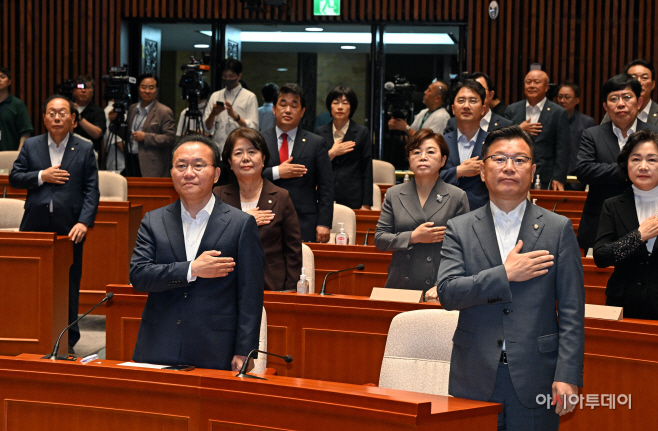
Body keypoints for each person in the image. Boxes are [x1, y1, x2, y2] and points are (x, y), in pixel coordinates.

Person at [436, 125, 585, 430]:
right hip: (474, 374)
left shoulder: (558, 229)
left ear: (532, 171)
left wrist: (568, 374)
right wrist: (505, 274)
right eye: (499, 158)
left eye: (519, 160)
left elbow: (572, 310)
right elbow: (448, 293)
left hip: (537, 375)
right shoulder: (459, 228)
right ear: (482, 169)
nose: (509, 168)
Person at [130, 134, 265, 371]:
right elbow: (139, 275)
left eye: (198, 165)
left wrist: (244, 350)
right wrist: (192, 269)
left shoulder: (240, 224)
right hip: (158, 342)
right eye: (181, 166)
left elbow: (250, 295)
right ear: (171, 172)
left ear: (216, 174)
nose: (188, 173)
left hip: (215, 346)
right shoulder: (154, 220)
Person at [9, 94, 100, 354]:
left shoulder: (83, 148)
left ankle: (68, 341)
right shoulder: (32, 145)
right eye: (51, 112)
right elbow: (15, 177)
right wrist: (41, 176)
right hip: (34, 225)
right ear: (44, 118)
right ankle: (28, 334)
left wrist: (84, 222)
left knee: (69, 284)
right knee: (30, 284)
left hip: (69, 227)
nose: (57, 117)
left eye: (62, 113)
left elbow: (92, 190)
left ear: (73, 118)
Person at [375, 128, 469, 298]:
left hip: (437, 287)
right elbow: (380, 239)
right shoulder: (394, 194)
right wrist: (413, 237)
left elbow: (463, 248)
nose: (423, 157)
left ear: (443, 160)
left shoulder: (457, 196)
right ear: (409, 159)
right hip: (400, 285)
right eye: (416, 152)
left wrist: (442, 282)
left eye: (431, 152)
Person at [576, 74, 658, 252]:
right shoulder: (592, 135)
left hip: (648, 217)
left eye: (627, 97)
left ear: (639, 102)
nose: (621, 103)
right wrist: (628, 169)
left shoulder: (654, 134)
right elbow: (583, 170)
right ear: (606, 106)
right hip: (600, 223)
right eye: (614, 99)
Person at [216, 127, 302, 291]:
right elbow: (210, 242)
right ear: (230, 162)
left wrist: (290, 291)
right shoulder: (218, 196)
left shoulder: (281, 197)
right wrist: (243, 221)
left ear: (263, 159)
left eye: (252, 152)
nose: (246, 158)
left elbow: (293, 251)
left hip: (271, 285)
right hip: (226, 287)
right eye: (238, 153)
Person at [593, 130, 658, 319]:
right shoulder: (612, 205)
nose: (643, 166)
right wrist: (638, 236)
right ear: (626, 164)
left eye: (652, 160)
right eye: (635, 159)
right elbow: (601, 257)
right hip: (623, 305)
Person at [262, 83, 334, 243]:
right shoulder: (259, 141)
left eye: (294, 105)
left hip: (304, 221)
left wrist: (324, 223)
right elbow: (248, 176)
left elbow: (326, 187)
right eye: (283, 104)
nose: (288, 110)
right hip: (265, 218)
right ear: (274, 109)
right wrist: (277, 172)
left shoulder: (316, 143)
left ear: (302, 112)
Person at [505, 70, 571, 190]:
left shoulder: (558, 112)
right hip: (515, 172)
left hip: (546, 175)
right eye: (528, 82)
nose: (532, 85)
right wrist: (518, 129)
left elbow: (563, 148)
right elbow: (502, 140)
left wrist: (559, 177)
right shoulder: (512, 109)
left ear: (546, 87)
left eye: (537, 82)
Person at [315, 86, 374, 210]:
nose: (340, 107)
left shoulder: (362, 132)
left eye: (345, 103)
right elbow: (314, 165)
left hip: (353, 196)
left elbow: (367, 169)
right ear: (330, 106)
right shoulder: (320, 132)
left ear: (351, 107)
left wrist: (366, 203)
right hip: (325, 194)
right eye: (335, 103)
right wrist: (331, 153)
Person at [441, 79, 490, 211]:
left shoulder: (494, 143)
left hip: (482, 214)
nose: (466, 106)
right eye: (461, 101)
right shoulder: (440, 143)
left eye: (473, 101)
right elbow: (427, 178)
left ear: (483, 109)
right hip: (443, 215)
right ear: (453, 109)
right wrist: (458, 171)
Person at [125, 74, 176, 177]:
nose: (147, 91)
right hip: (131, 161)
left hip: (152, 166)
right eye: (143, 87)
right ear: (138, 88)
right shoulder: (132, 108)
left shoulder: (164, 111)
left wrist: (145, 137)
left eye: (151, 88)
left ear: (156, 90)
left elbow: (170, 138)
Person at [204, 59, 259, 154]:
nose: (227, 79)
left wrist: (235, 116)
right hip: (218, 149)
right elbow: (207, 129)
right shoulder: (215, 95)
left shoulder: (249, 97)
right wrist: (213, 113)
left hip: (241, 150)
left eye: (231, 76)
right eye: (224, 76)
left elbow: (254, 128)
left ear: (239, 76)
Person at [556, 81, 596, 191]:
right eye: (560, 97)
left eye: (567, 97)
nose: (562, 101)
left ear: (577, 100)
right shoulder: (552, 120)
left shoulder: (586, 122)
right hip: (555, 179)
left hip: (578, 180)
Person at [443, 72, 513, 134]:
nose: (466, 105)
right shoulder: (453, 123)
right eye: (461, 100)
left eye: (480, 89)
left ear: (491, 95)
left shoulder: (506, 125)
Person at [602, 59, 658, 126]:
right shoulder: (615, 112)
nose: (639, 82)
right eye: (633, 78)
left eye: (644, 78)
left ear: (653, 84)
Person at [72, 75, 106, 160]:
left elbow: (97, 133)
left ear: (92, 91)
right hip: (68, 152)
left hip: (90, 155)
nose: (83, 90)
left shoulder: (97, 111)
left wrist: (79, 118)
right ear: (74, 90)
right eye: (80, 87)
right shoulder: (66, 109)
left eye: (86, 87)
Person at [0, 67, 33, 151]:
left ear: (9, 82)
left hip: (10, 154)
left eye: (2, 77)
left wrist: (19, 155)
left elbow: (25, 132)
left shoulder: (17, 104)